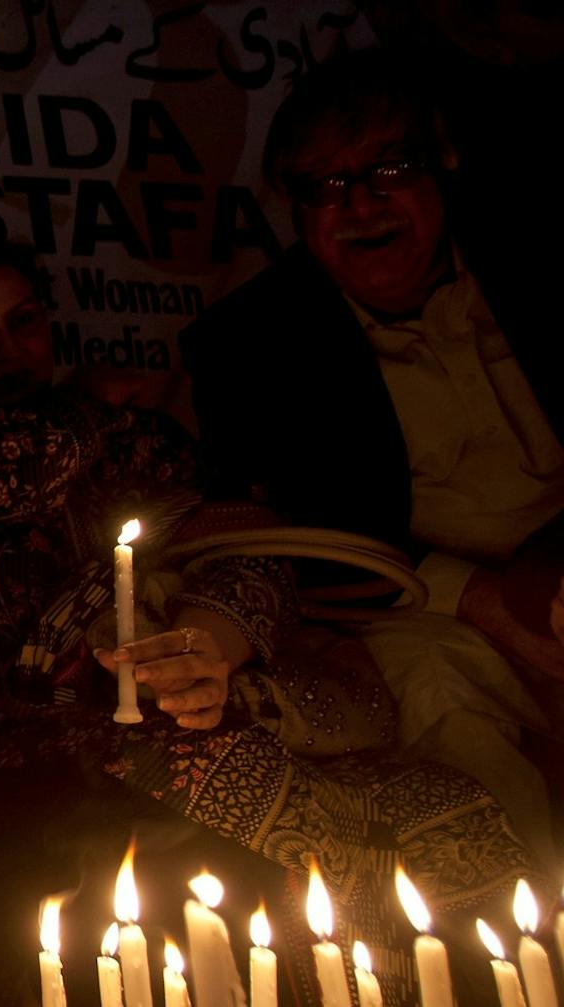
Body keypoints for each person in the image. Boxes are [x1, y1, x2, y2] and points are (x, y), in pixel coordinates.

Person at [0, 235, 539, 1006]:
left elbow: (250, 550)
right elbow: (18, 462)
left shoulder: (142, 440)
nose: (10, 350)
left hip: (167, 731)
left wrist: (204, 647)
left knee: (414, 814)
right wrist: (91, 404)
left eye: (24, 320)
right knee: (186, 858)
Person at [182, 47, 560, 857]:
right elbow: (287, 541)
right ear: (293, 207)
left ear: (441, 169)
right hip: (426, 607)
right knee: (437, 698)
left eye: (387, 168)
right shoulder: (249, 343)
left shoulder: (543, 258)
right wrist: (486, 599)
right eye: (324, 186)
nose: (359, 204)